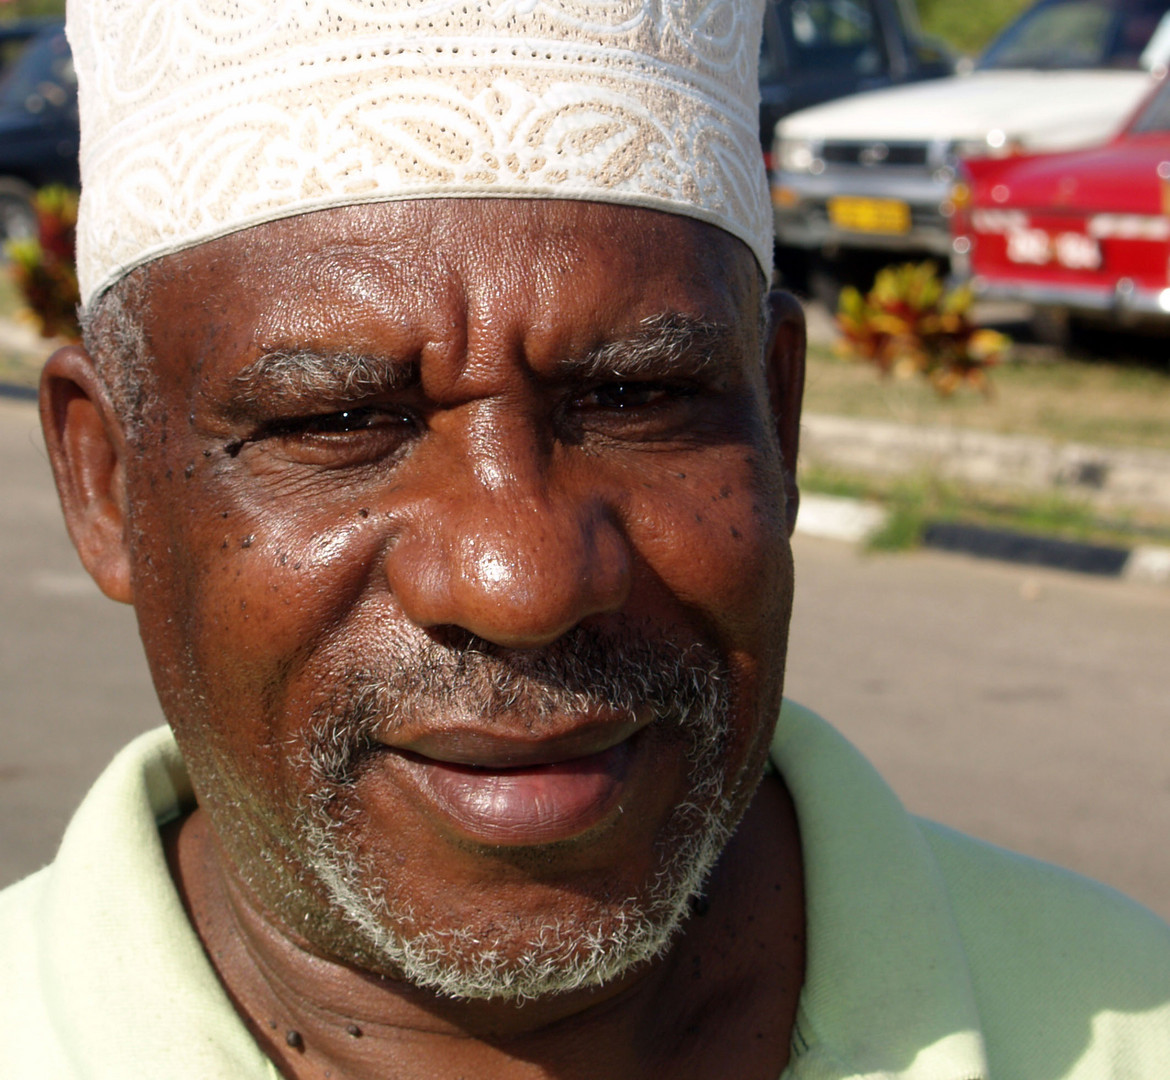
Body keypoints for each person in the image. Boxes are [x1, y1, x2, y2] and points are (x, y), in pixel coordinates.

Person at [2, 2, 1169, 1077]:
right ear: (105, 484)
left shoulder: (1123, 1020)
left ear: (779, 419)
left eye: (639, 398)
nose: (525, 580)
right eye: (342, 423)